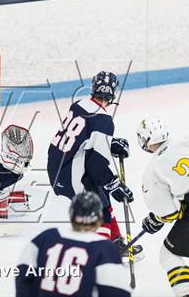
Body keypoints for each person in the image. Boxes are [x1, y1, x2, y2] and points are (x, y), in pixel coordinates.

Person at [47, 71, 142, 256]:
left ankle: (115, 242)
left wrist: (109, 144)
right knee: (99, 203)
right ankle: (100, 255)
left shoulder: (78, 105)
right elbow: (96, 166)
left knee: (102, 191)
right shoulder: (104, 119)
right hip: (72, 175)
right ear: (113, 93)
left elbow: (83, 140)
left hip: (56, 167)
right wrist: (115, 185)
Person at [138, 117, 189, 296]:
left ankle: (185, 292)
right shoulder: (186, 137)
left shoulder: (152, 170)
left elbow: (168, 213)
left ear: (144, 142)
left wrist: (155, 219)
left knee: (168, 255)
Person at [15, 191, 131, 296]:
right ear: (99, 218)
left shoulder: (47, 237)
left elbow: (23, 273)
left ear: (71, 214)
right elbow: (117, 291)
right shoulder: (104, 248)